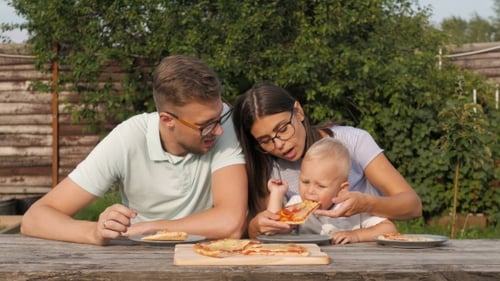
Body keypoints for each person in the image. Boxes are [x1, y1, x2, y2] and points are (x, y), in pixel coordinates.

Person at [21, 55, 248, 245]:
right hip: (139, 261)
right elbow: (35, 218)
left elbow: (231, 223)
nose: (218, 131)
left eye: (221, 117)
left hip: (212, 257)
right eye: (206, 126)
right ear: (167, 120)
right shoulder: (127, 139)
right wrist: (95, 232)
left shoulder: (218, 119)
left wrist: (152, 227)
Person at [232, 82, 421, 238]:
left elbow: (413, 206)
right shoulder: (268, 165)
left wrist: (366, 204)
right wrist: (256, 226)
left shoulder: (353, 142)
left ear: (298, 111)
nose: (279, 144)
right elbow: (267, 234)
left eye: (282, 129)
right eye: (265, 140)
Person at [267, 138, 397, 244]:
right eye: (305, 182)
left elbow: (389, 229)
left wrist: (356, 235)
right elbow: (273, 230)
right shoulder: (297, 203)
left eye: (321, 186)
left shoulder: (351, 207)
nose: (310, 191)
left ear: (341, 189)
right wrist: (276, 194)